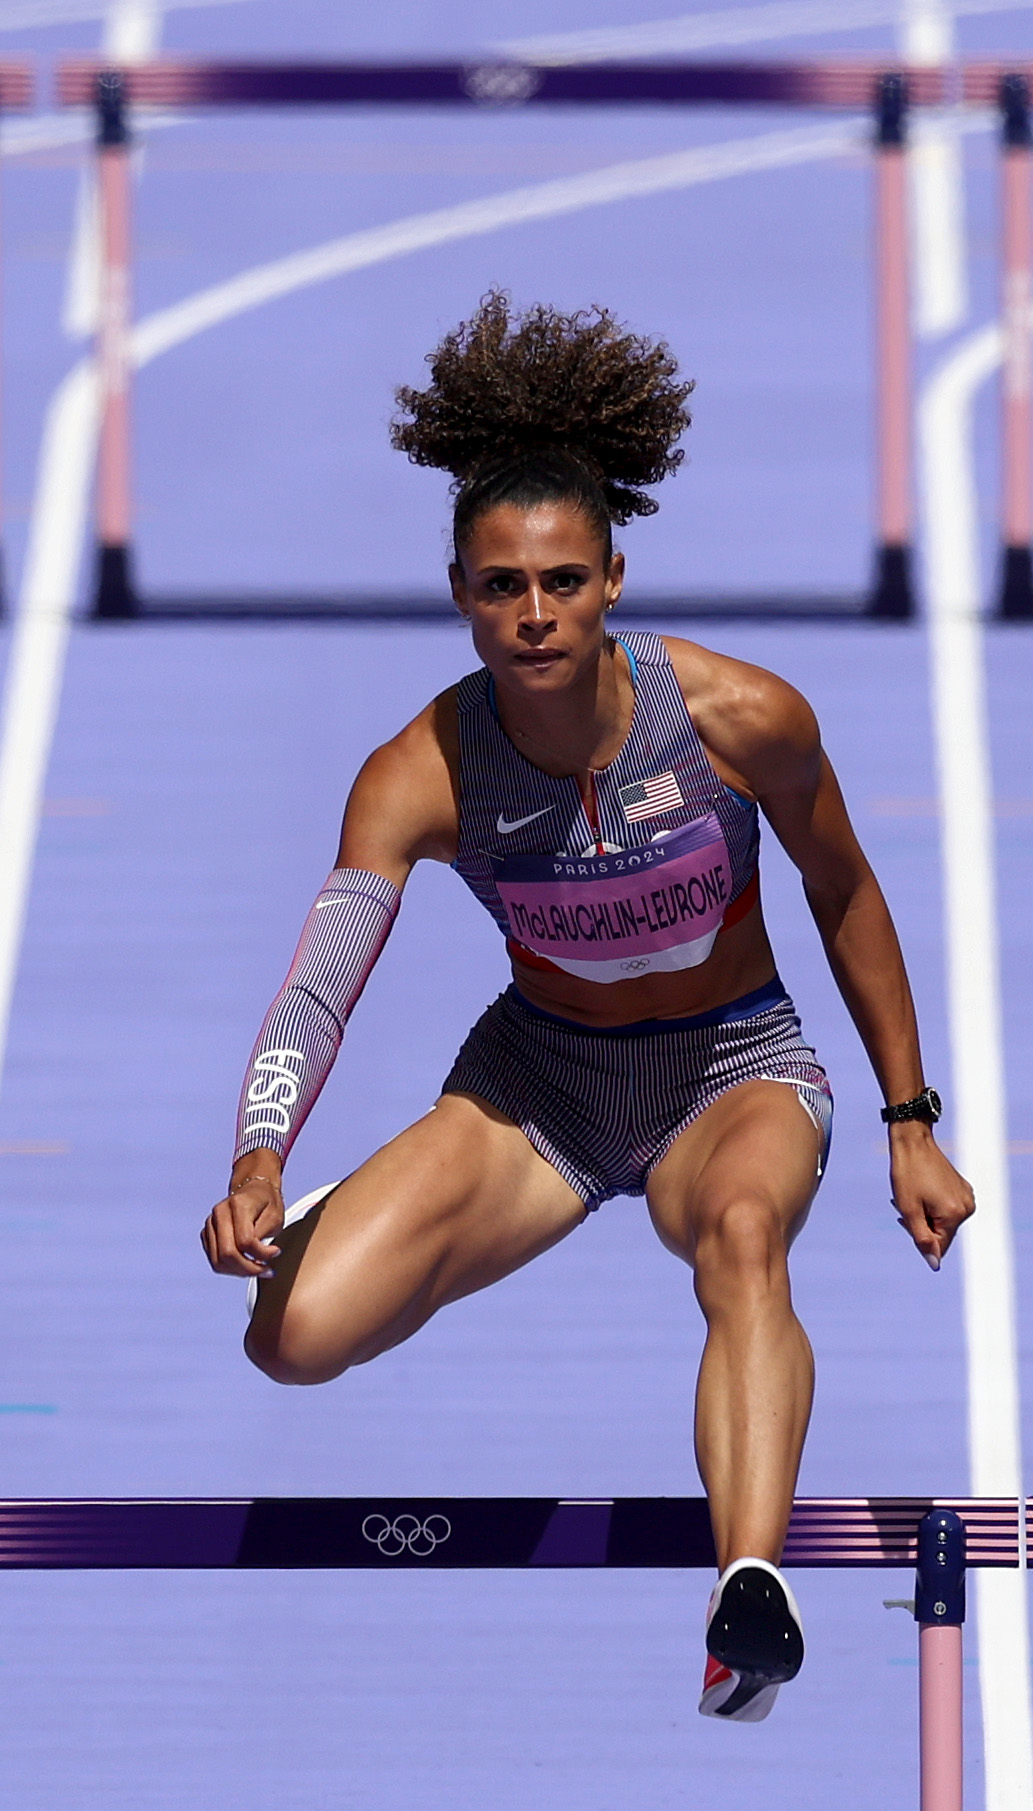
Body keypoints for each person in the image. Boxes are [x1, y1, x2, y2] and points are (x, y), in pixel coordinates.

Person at [199, 293, 975, 1720]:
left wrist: (909, 1118)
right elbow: (323, 976)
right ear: (461, 594)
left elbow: (848, 892)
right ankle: (336, 1215)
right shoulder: (418, 771)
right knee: (292, 1340)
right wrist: (258, 1153)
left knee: (745, 1235)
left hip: (732, 1070)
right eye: (502, 586)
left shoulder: (744, 719)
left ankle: (750, 1590)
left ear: (615, 576)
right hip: (541, 1087)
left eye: (562, 579)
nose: (535, 612)